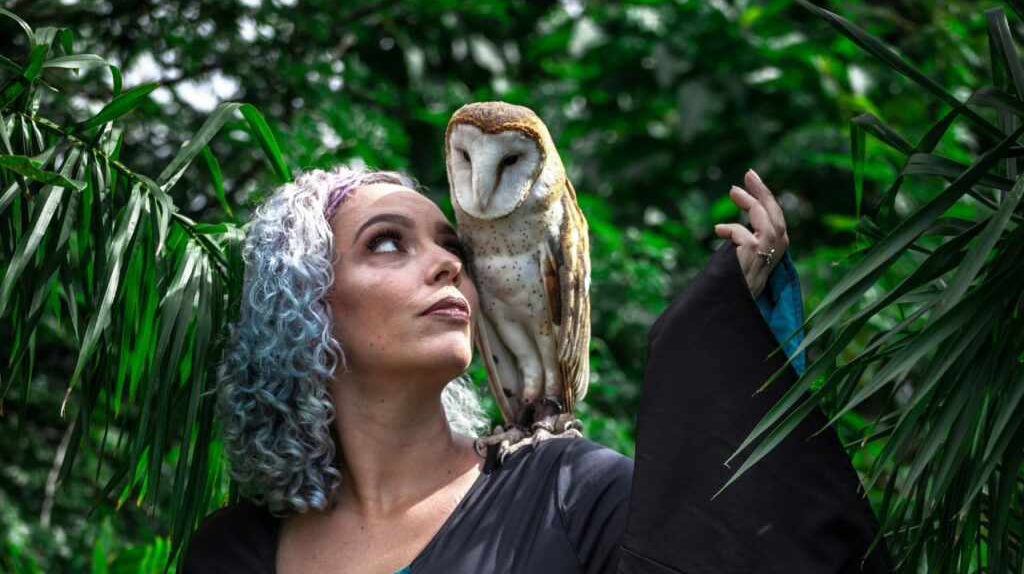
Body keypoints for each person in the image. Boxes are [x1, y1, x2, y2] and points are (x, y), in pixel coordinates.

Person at [184, 166, 890, 573]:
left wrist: (719, 326)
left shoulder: (573, 491)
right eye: (388, 244)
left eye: (449, 242)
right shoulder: (232, 553)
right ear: (305, 305)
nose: (449, 264)